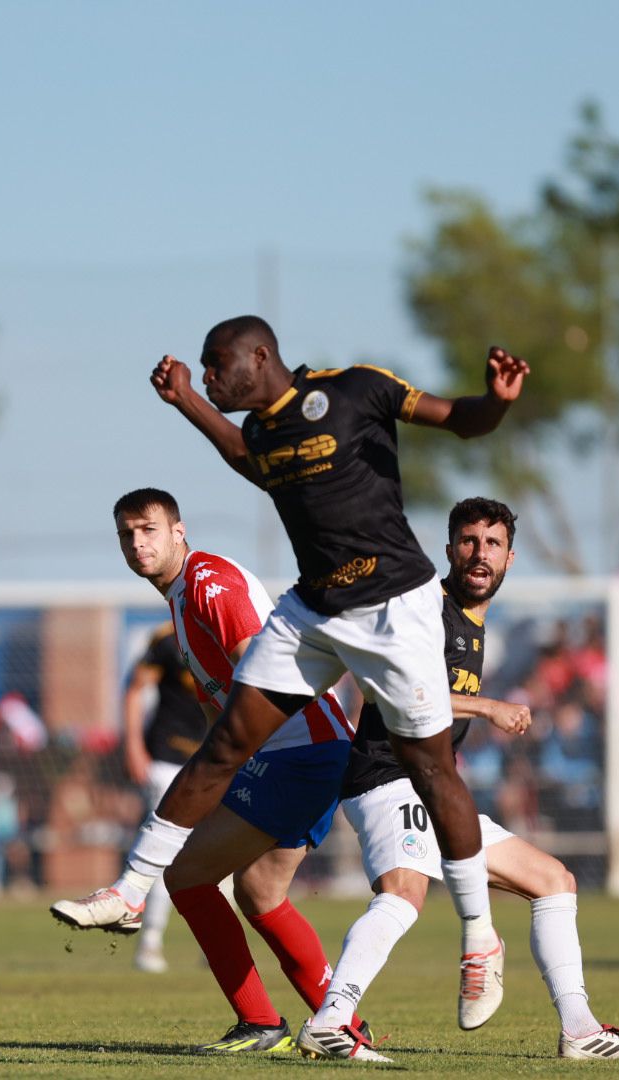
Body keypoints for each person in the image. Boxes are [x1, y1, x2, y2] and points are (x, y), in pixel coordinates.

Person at [52, 317, 528, 1027]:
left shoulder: (355, 390)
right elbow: (246, 456)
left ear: (260, 357)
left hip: (395, 607)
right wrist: (188, 401)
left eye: (218, 366)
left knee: (432, 771)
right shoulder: (265, 437)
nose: (211, 375)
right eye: (206, 369)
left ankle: (479, 940)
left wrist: (496, 401)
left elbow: (458, 420)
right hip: (315, 609)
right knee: (224, 746)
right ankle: (130, 888)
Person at [298, 498, 619, 1062]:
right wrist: (489, 706)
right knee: (403, 893)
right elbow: (391, 688)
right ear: (449, 550)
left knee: (554, 881)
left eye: (492, 544)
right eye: (468, 541)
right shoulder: (426, 609)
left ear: (511, 558)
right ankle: (331, 1019)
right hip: (385, 778)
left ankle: (581, 1030)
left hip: (436, 791)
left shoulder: (472, 623)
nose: (479, 554)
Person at [56, 488, 363, 1053]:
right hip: (295, 752)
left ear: (179, 530)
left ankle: (262, 1022)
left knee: (188, 875)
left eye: (148, 529)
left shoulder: (207, 581)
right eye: (126, 533)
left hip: (298, 750)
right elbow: (215, 704)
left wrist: (219, 767)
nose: (137, 542)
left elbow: (260, 666)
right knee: (260, 892)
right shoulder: (178, 599)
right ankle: (341, 1029)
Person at [120, 624, 208, 973]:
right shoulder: (167, 640)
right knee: (165, 852)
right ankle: (150, 943)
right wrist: (133, 748)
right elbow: (134, 690)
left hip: (213, 762)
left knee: (224, 855)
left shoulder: (232, 635)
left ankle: (215, 948)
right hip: (166, 760)